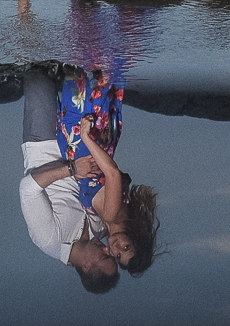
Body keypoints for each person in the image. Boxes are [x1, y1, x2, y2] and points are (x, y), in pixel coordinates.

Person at [18, 67, 120, 293]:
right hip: (78, 142)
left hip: (43, 143)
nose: (107, 249)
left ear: (85, 265)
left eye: (104, 257)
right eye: (110, 254)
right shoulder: (101, 230)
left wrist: (72, 169)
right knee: (77, 68)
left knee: (37, 73)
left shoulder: (48, 241)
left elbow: (27, 188)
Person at [57, 67, 160, 275]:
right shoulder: (112, 215)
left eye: (119, 255)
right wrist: (85, 135)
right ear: (135, 239)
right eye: (126, 247)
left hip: (97, 142)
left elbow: (114, 178)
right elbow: (112, 174)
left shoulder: (110, 223)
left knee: (97, 68)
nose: (117, 248)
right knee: (77, 67)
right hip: (83, 140)